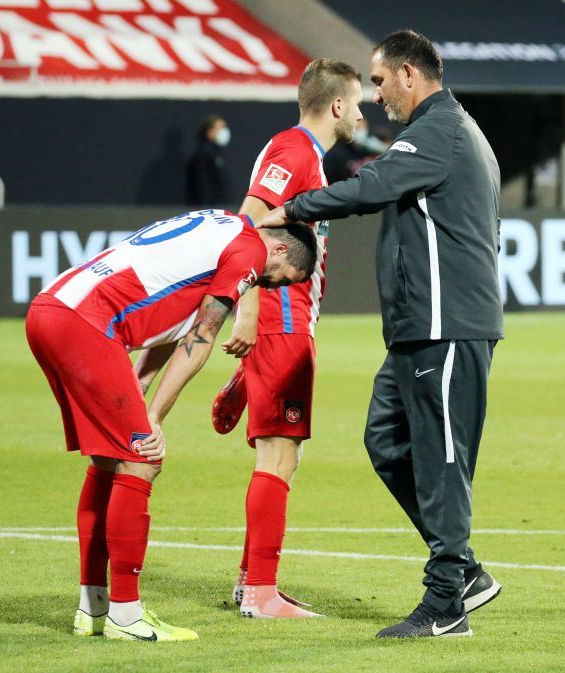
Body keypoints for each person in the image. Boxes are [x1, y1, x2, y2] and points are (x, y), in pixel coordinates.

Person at [258, 29, 503, 639]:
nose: (376, 94)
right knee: (387, 439)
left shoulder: (439, 129)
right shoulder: (448, 132)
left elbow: (372, 187)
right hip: (423, 325)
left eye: (379, 80)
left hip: (446, 323)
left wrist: (294, 208)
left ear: (409, 74)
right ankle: (465, 571)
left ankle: (445, 602)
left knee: (441, 459)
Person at [25, 209, 317, 642]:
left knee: (107, 459)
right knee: (142, 459)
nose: (266, 285)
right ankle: (127, 615)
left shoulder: (218, 224)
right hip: (88, 322)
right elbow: (201, 336)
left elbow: (171, 322)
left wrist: (140, 386)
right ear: (277, 248)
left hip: (51, 308)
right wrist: (154, 417)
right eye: (277, 278)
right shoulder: (250, 253)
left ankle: (94, 607)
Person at [211, 58, 365, 619]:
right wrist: (247, 308)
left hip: (288, 320)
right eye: (358, 103)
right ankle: (261, 592)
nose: (361, 114)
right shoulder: (295, 152)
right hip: (281, 317)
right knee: (280, 454)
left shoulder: (302, 153)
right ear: (338, 105)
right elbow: (246, 224)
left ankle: (250, 583)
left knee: (283, 454)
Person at [186, 115, 232, 207]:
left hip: (219, 208)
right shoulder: (203, 154)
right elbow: (202, 186)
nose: (225, 131)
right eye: (221, 128)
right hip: (207, 209)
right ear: (210, 132)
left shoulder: (216, 153)